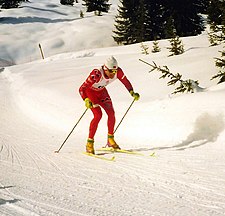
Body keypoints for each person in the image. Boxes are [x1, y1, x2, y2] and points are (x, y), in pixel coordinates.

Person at [79, 56, 140, 154]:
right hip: (90, 92)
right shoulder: (97, 74)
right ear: (105, 69)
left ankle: (110, 140)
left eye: (115, 71)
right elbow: (82, 88)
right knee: (98, 115)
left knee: (111, 113)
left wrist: (131, 92)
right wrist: (85, 99)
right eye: (111, 71)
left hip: (102, 92)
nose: (113, 74)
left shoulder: (117, 71)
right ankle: (89, 143)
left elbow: (125, 81)